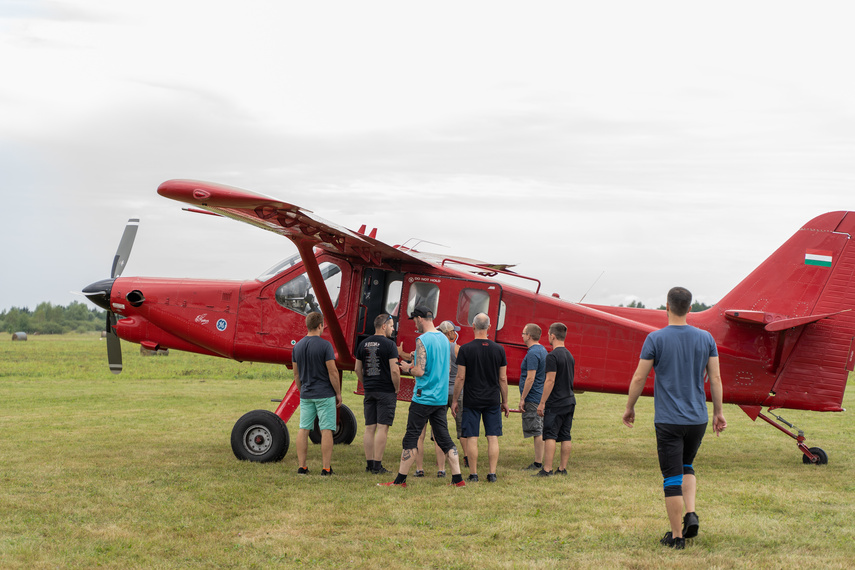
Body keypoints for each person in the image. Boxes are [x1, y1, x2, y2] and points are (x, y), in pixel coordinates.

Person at [622, 287, 726, 550]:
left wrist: (629, 407)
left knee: (671, 478)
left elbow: (638, 377)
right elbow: (715, 378)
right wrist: (718, 413)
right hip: (697, 419)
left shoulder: (655, 339)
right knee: (686, 465)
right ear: (690, 309)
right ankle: (691, 512)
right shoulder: (707, 338)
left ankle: (677, 536)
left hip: (668, 420)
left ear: (666, 307)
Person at [379, 306, 465, 488]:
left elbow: (419, 370)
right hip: (440, 398)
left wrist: (406, 367)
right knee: (445, 439)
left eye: (414, 320)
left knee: (411, 437)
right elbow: (447, 369)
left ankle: (399, 481)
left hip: (423, 397)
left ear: (420, 318)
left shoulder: (422, 339)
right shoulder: (444, 339)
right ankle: (458, 479)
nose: (414, 324)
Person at [451, 313, 509, 483]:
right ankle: (492, 474)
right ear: (489, 327)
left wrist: (455, 400)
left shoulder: (465, 349)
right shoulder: (499, 349)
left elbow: (460, 378)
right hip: (492, 399)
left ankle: (474, 474)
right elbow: (503, 379)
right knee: (492, 437)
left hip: (471, 399)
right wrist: (504, 401)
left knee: (472, 437)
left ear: (473, 326)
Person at [292, 311, 342, 476]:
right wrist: (338, 393)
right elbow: (332, 372)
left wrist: (302, 391)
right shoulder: (325, 345)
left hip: (306, 393)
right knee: (326, 429)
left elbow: (296, 375)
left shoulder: (297, 347)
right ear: (320, 325)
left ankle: (302, 467)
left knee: (303, 429)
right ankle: (326, 468)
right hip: (324, 394)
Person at [355, 313, 400, 475]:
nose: (393, 329)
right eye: (392, 326)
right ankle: (377, 465)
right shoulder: (390, 345)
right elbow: (395, 369)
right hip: (386, 390)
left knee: (369, 428)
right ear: (383, 326)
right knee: (382, 427)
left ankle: (369, 464)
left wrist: (366, 382)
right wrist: (397, 387)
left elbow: (357, 369)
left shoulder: (363, 344)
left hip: (370, 390)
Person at [535, 322, 575, 477]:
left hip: (556, 402)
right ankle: (562, 468)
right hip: (569, 400)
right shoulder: (569, 355)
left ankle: (547, 469)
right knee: (565, 435)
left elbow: (550, 381)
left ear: (552, 336)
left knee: (550, 435)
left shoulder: (552, 356)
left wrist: (542, 402)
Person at [434, 320, 463, 477]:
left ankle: (441, 468)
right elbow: (463, 372)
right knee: (462, 428)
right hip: (455, 391)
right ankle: (466, 458)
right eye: (454, 331)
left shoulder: (436, 347)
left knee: (439, 429)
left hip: (440, 391)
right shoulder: (456, 348)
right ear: (450, 333)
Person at [518, 323, 547, 471]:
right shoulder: (543, 350)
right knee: (540, 429)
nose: (522, 336)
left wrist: (523, 398)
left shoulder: (532, 353)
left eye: (523, 333)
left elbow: (530, 378)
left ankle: (538, 462)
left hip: (534, 396)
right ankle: (541, 461)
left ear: (529, 336)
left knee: (537, 430)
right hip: (540, 395)